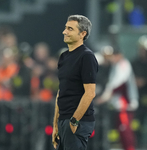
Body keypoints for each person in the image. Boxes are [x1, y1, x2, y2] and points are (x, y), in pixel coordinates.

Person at [52, 15, 98, 150]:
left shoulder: (87, 56)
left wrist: (74, 120)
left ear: (82, 34)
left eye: (70, 29)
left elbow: (90, 93)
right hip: (64, 120)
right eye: (66, 28)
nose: (64, 32)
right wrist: (56, 124)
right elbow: (61, 91)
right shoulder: (63, 57)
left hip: (78, 121)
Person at [96, 46, 138, 150]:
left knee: (126, 130)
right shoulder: (115, 66)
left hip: (125, 104)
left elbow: (118, 84)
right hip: (118, 105)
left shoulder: (123, 64)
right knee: (121, 131)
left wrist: (104, 97)